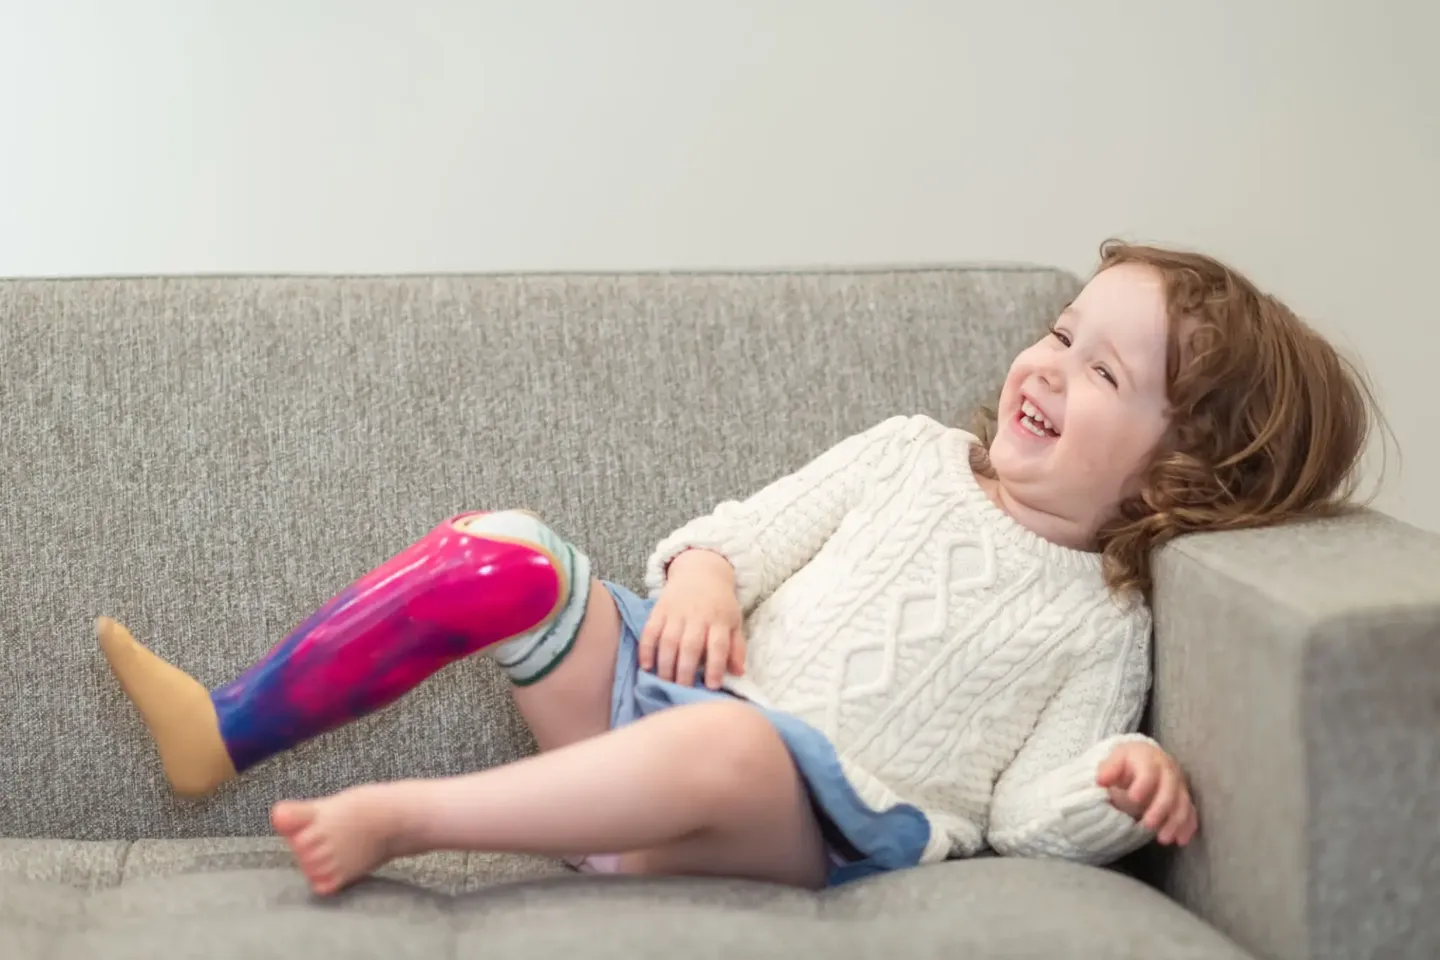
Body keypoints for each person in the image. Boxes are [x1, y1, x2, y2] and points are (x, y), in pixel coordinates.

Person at [96, 240, 1378, 896]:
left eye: (1103, 371)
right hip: (665, 707)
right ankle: (222, 728)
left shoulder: (1106, 621)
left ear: (1175, 476)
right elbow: (737, 533)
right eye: (1058, 330)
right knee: (511, 549)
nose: (1045, 364)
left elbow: (1038, 815)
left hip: (810, 811)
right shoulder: (907, 454)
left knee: (742, 750)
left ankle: (410, 818)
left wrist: (1119, 781)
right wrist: (705, 576)